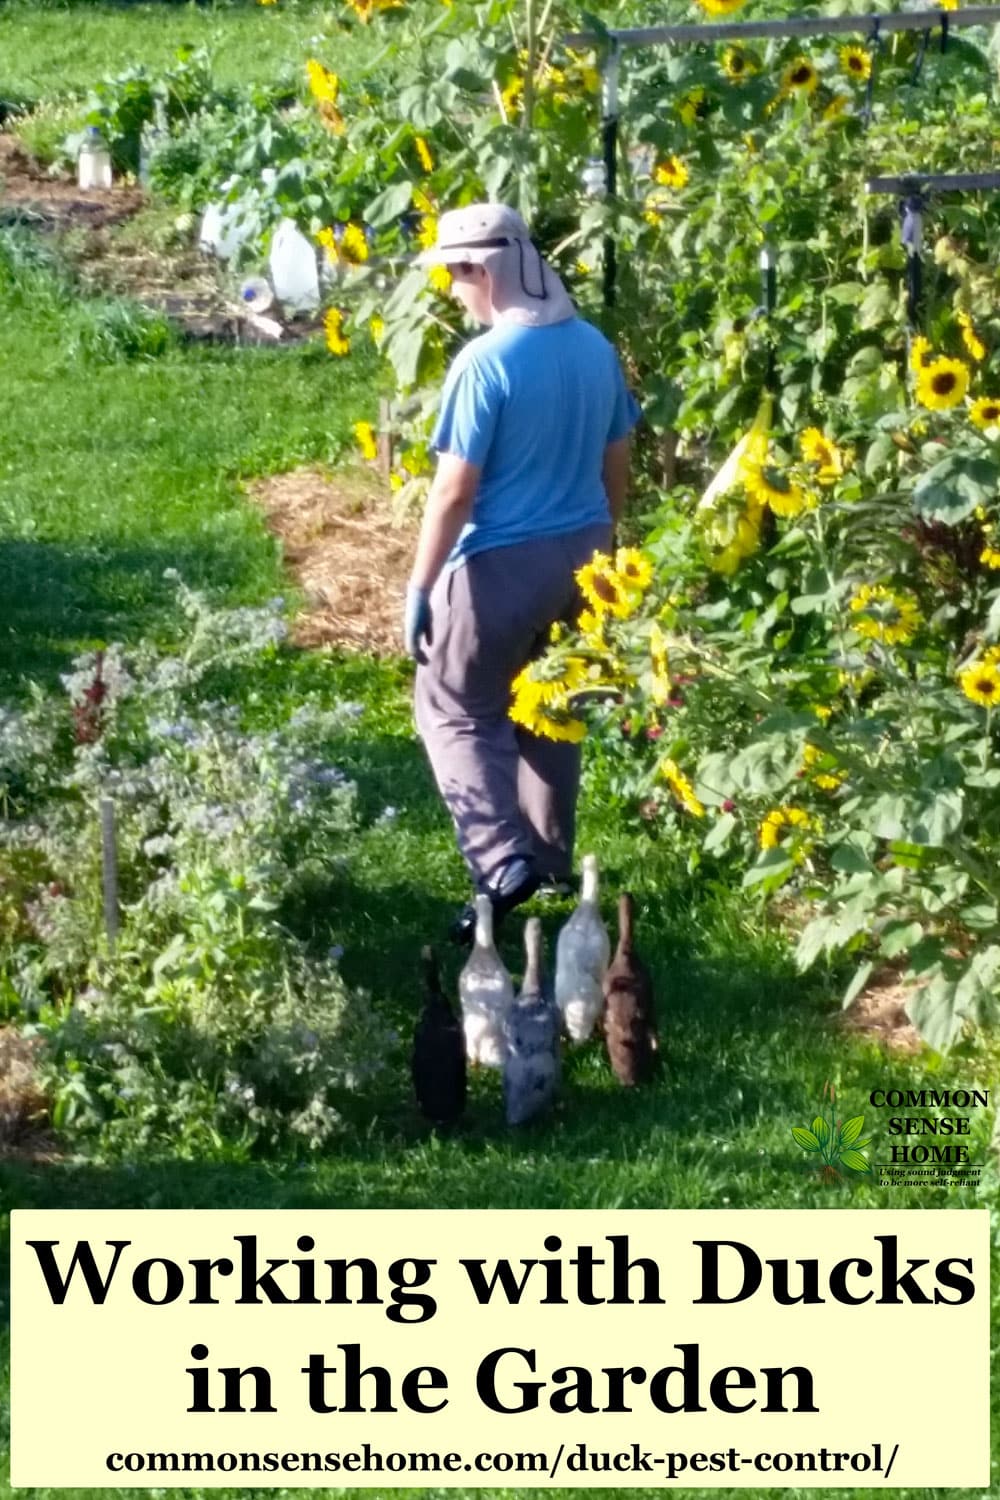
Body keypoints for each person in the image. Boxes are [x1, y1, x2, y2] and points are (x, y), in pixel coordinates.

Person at [402, 202, 640, 942]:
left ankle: (503, 864)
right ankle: (548, 859)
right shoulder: (595, 348)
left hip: (499, 565)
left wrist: (418, 586)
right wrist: (604, 544)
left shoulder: (487, 363)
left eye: (455, 274)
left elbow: (454, 489)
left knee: (453, 706)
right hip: (585, 557)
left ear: (487, 271)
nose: (450, 292)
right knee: (549, 710)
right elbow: (618, 463)